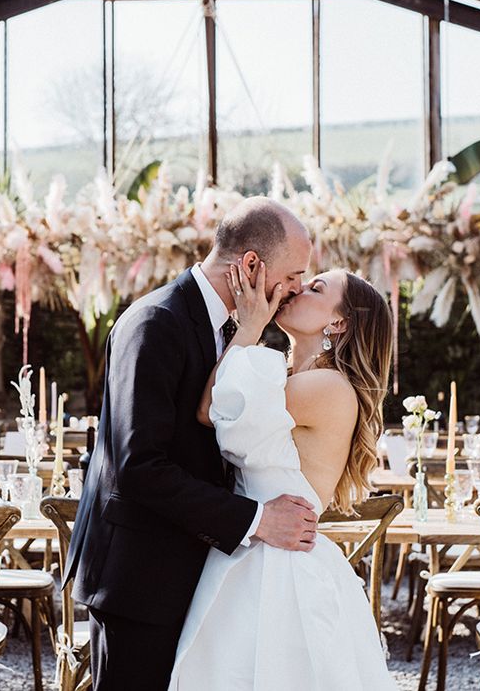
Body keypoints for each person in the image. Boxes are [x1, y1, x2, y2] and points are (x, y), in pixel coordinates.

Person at [64, 196, 318, 690]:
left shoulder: (243, 331)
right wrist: (259, 519)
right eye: (292, 276)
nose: (296, 290)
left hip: (194, 572)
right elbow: (138, 467)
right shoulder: (156, 322)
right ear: (250, 265)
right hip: (140, 581)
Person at [168, 261, 398, 689]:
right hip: (252, 547)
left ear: (338, 321)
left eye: (315, 288)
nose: (295, 291)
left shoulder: (327, 387)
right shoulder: (295, 378)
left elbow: (210, 409)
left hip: (277, 570)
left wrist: (249, 327)